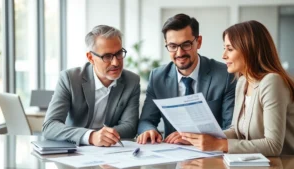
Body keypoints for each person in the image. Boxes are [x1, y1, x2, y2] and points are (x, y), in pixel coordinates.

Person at [181, 20, 294, 156]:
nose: (223, 56)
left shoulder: (272, 82)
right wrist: (201, 139)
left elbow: (273, 145)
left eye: (229, 49)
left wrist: (218, 144)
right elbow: (236, 131)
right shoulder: (242, 82)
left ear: (249, 50)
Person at [137, 13, 236, 145]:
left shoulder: (225, 75)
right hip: (172, 154)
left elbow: (231, 128)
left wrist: (193, 138)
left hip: (211, 154)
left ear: (198, 42)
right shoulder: (157, 77)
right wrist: (149, 130)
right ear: (166, 44)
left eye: (186, 44)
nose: (179, 53)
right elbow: (146, 121)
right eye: (172, 46)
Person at [42, 25, 140, 146]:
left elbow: (130, 127)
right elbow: (49, 126)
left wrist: (104, 137)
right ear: (91, 58)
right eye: (107, 56)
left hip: (111, 153)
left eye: (119, 53)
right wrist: (91, 137)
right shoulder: (70, 79)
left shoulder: (132, 81)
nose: (115, 62)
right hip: (74, 152)